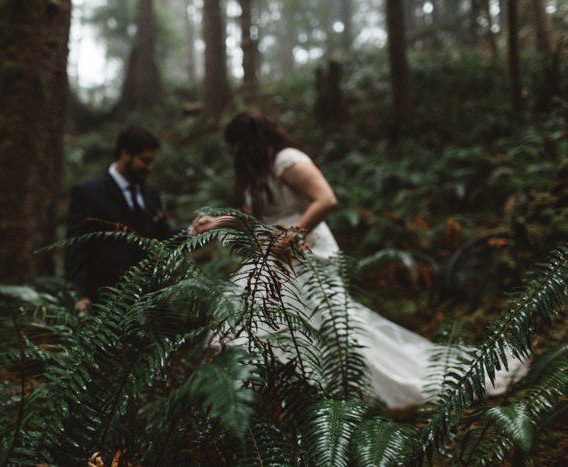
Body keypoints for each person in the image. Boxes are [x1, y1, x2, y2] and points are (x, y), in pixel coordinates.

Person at [193, 111, 527, 408]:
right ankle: (268, 397)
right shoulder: (257, 173)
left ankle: (354, 388)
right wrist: (217, 222)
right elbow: (252, 217)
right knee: (253, 315)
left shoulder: (287, 160)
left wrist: (292, 236)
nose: (236, 154)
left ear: (253, 139)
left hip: (307, 252)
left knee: (332, 325)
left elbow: (325, 199)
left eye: (239, 145)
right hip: (271, 257)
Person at [64, 126, 175, 312]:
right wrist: (79, 294)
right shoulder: (89, 192)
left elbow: (162, 233)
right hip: (106, 298)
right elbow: (76, 247)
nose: (150, 168)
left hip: (150, 298)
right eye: (145, 161)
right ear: (125, 154)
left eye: (152, 161)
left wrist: (194, 231)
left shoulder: (150, 194)